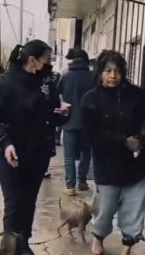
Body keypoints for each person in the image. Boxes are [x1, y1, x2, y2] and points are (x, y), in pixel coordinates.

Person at [0, 40, 69, 255]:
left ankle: (23, 243)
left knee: (29, 200)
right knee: (14, 202)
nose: (49, 65)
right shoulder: (3, 83)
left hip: (38, 151)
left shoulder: (46, 84)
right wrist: (4, 142)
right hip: (10, 150)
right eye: (47, 60)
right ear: (32, 61)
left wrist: (64, 114)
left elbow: (51, 116)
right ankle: (9, 248)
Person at [81, 50, 145, 255]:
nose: (112, 76)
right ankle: (98, 238)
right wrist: (123, 142)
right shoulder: (90, 99)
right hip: (107, 164)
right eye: (107, 71)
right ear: (100, 72)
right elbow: (92, 134)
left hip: (137, 164)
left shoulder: (140, 96)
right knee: (104, 208)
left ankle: (127, 246)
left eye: (117, 71)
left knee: (134, 208)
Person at [57, 48, 93, 196]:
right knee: (86, 153)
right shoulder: (93, 77)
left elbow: (56, 94)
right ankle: (82, 182)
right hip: (89, 123)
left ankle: (70, 186)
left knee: (69, 157)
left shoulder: (66, 76)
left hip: (69, 121)